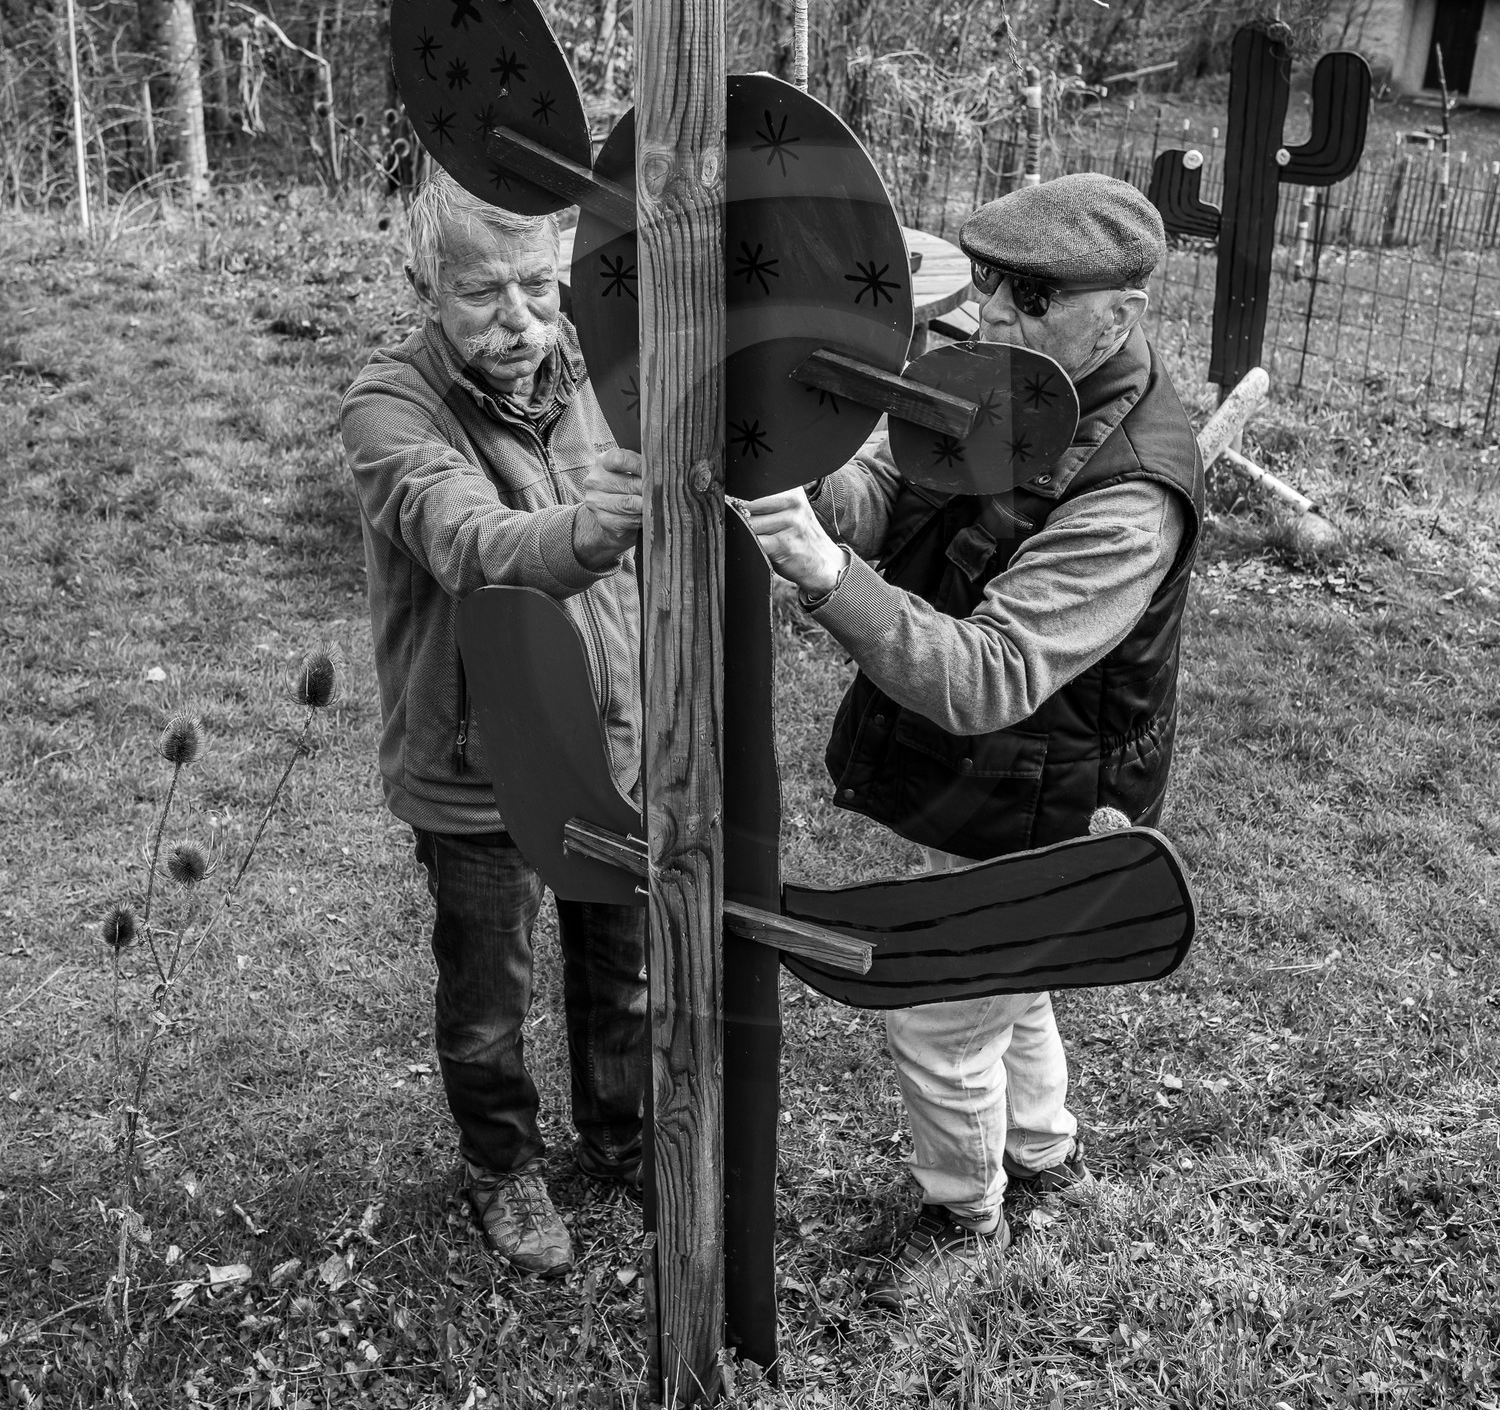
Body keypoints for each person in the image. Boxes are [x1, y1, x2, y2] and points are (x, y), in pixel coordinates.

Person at [741, 173, 1205, 1308]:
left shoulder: (1129, 491)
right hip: (1006, 784)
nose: (992, 315)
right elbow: (894, 485)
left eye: (1031, 295)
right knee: (1018, 975)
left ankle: (963, 1221)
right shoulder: (1012, 380)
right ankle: (1043, 1158)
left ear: (1120, 312)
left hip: (1051, 792)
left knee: (942, 1006)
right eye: (988, 281)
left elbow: (989, 676)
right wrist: (813, 488)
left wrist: (822, 574)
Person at [340, 171, 649, 1280]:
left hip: (611, 740)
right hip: (475, 767)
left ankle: (621, 1133)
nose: (522, 323)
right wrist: (602, 524)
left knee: (625, 963)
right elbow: (469, 543)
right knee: (487, 995)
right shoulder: (390, 407)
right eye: (486, 296)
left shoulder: (600, 369)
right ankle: (503, 1167)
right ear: (424, 282)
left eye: (540, 287)